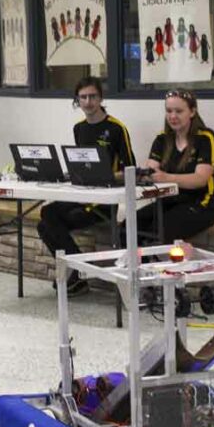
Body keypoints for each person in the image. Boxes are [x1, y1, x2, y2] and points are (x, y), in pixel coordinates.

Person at [36, 77, 135, 296]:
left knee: (47, 222)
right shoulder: (78, 128)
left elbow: (131, 170)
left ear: (101, 98)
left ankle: (75, 273)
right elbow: (83, 164)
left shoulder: (117, 128)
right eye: (83, 97)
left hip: (104, 202)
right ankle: (77, 272)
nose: (88, 102)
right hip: (81, 196)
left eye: (92, 96)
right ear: (77, 100)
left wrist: (105, 177)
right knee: (45, 217)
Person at [136, 89, 214, 243]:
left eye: (179, 111)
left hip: (202, 204)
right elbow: (150, 170)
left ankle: (155, 265)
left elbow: (200, 179)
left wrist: (167, 177)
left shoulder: (205, 138)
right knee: (129, 225)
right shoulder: (162, 139)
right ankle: (132, 265)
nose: (173, 116)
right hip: (170, 201)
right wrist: (143, 174)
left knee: (160, 230)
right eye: (169, 111)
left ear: (192, 112)